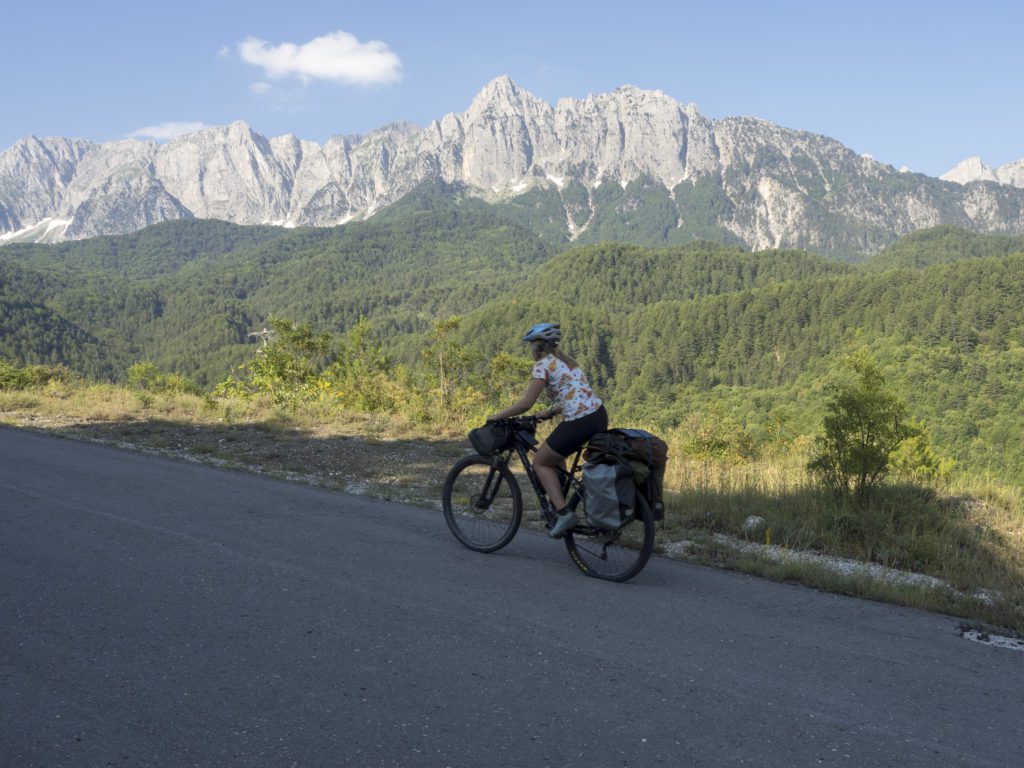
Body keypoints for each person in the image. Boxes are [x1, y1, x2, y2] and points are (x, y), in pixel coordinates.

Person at [487, 322, 608, 537]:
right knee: (555, 455)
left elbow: (526, 403)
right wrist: (548, 413)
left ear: (536, 347)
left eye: (531, 345)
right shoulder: (567, 362)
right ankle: (559, 501)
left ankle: (563, 514)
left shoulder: (542, 365)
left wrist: (496, 416)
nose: (530, 350)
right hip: (598, 415)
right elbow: (572, 393)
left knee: (540, 462)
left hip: (579, 421)